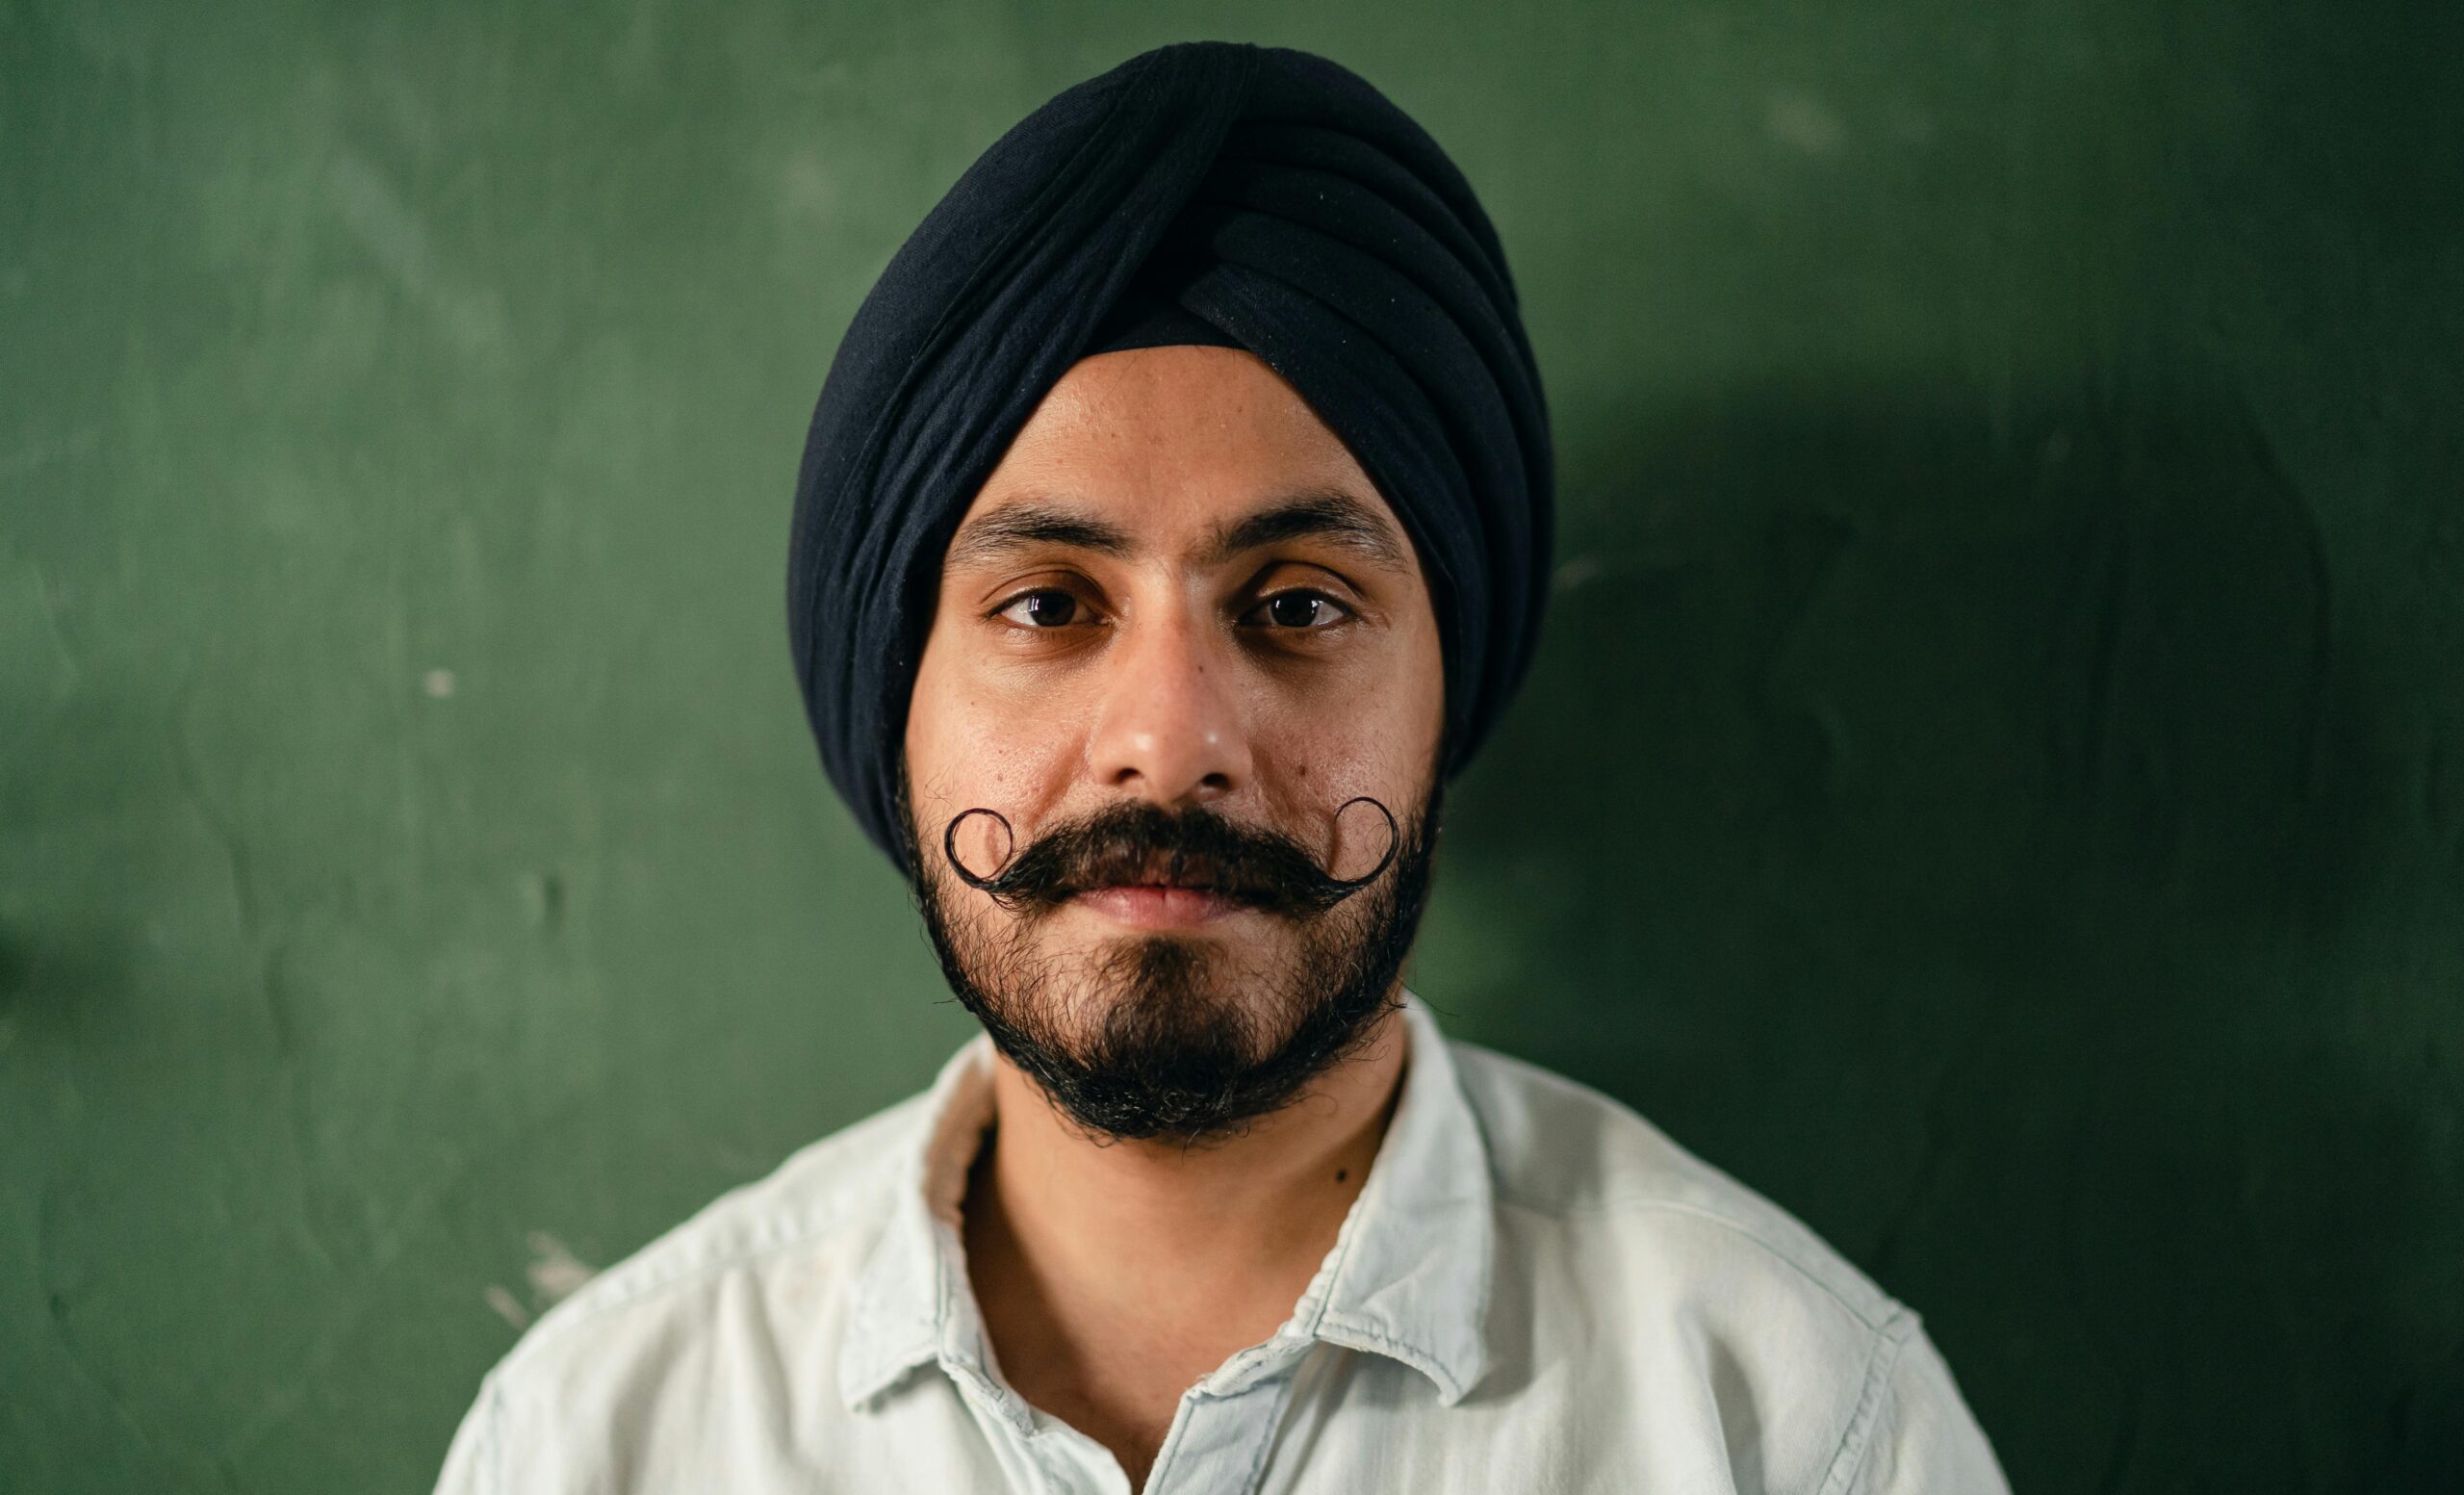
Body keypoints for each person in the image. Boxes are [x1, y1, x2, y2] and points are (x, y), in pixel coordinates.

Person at [436, 40, 2008, 1495]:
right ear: (897, 691)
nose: (1173, 740)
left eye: (1300, 607)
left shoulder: (1786, 1420)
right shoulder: (602, 1438)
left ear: (1444, 683)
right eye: (1049, 604)